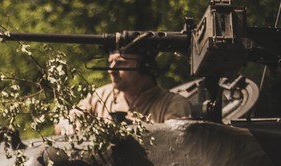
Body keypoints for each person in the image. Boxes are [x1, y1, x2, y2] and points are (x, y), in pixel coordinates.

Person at [56, 49, 192, 133]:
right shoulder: (100, 96)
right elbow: (64, 122)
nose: (111, 70)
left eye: (121, 63)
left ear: (145, 67)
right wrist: (70, 125)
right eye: (110, 63)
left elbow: (176, 149)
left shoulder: (173, 105)